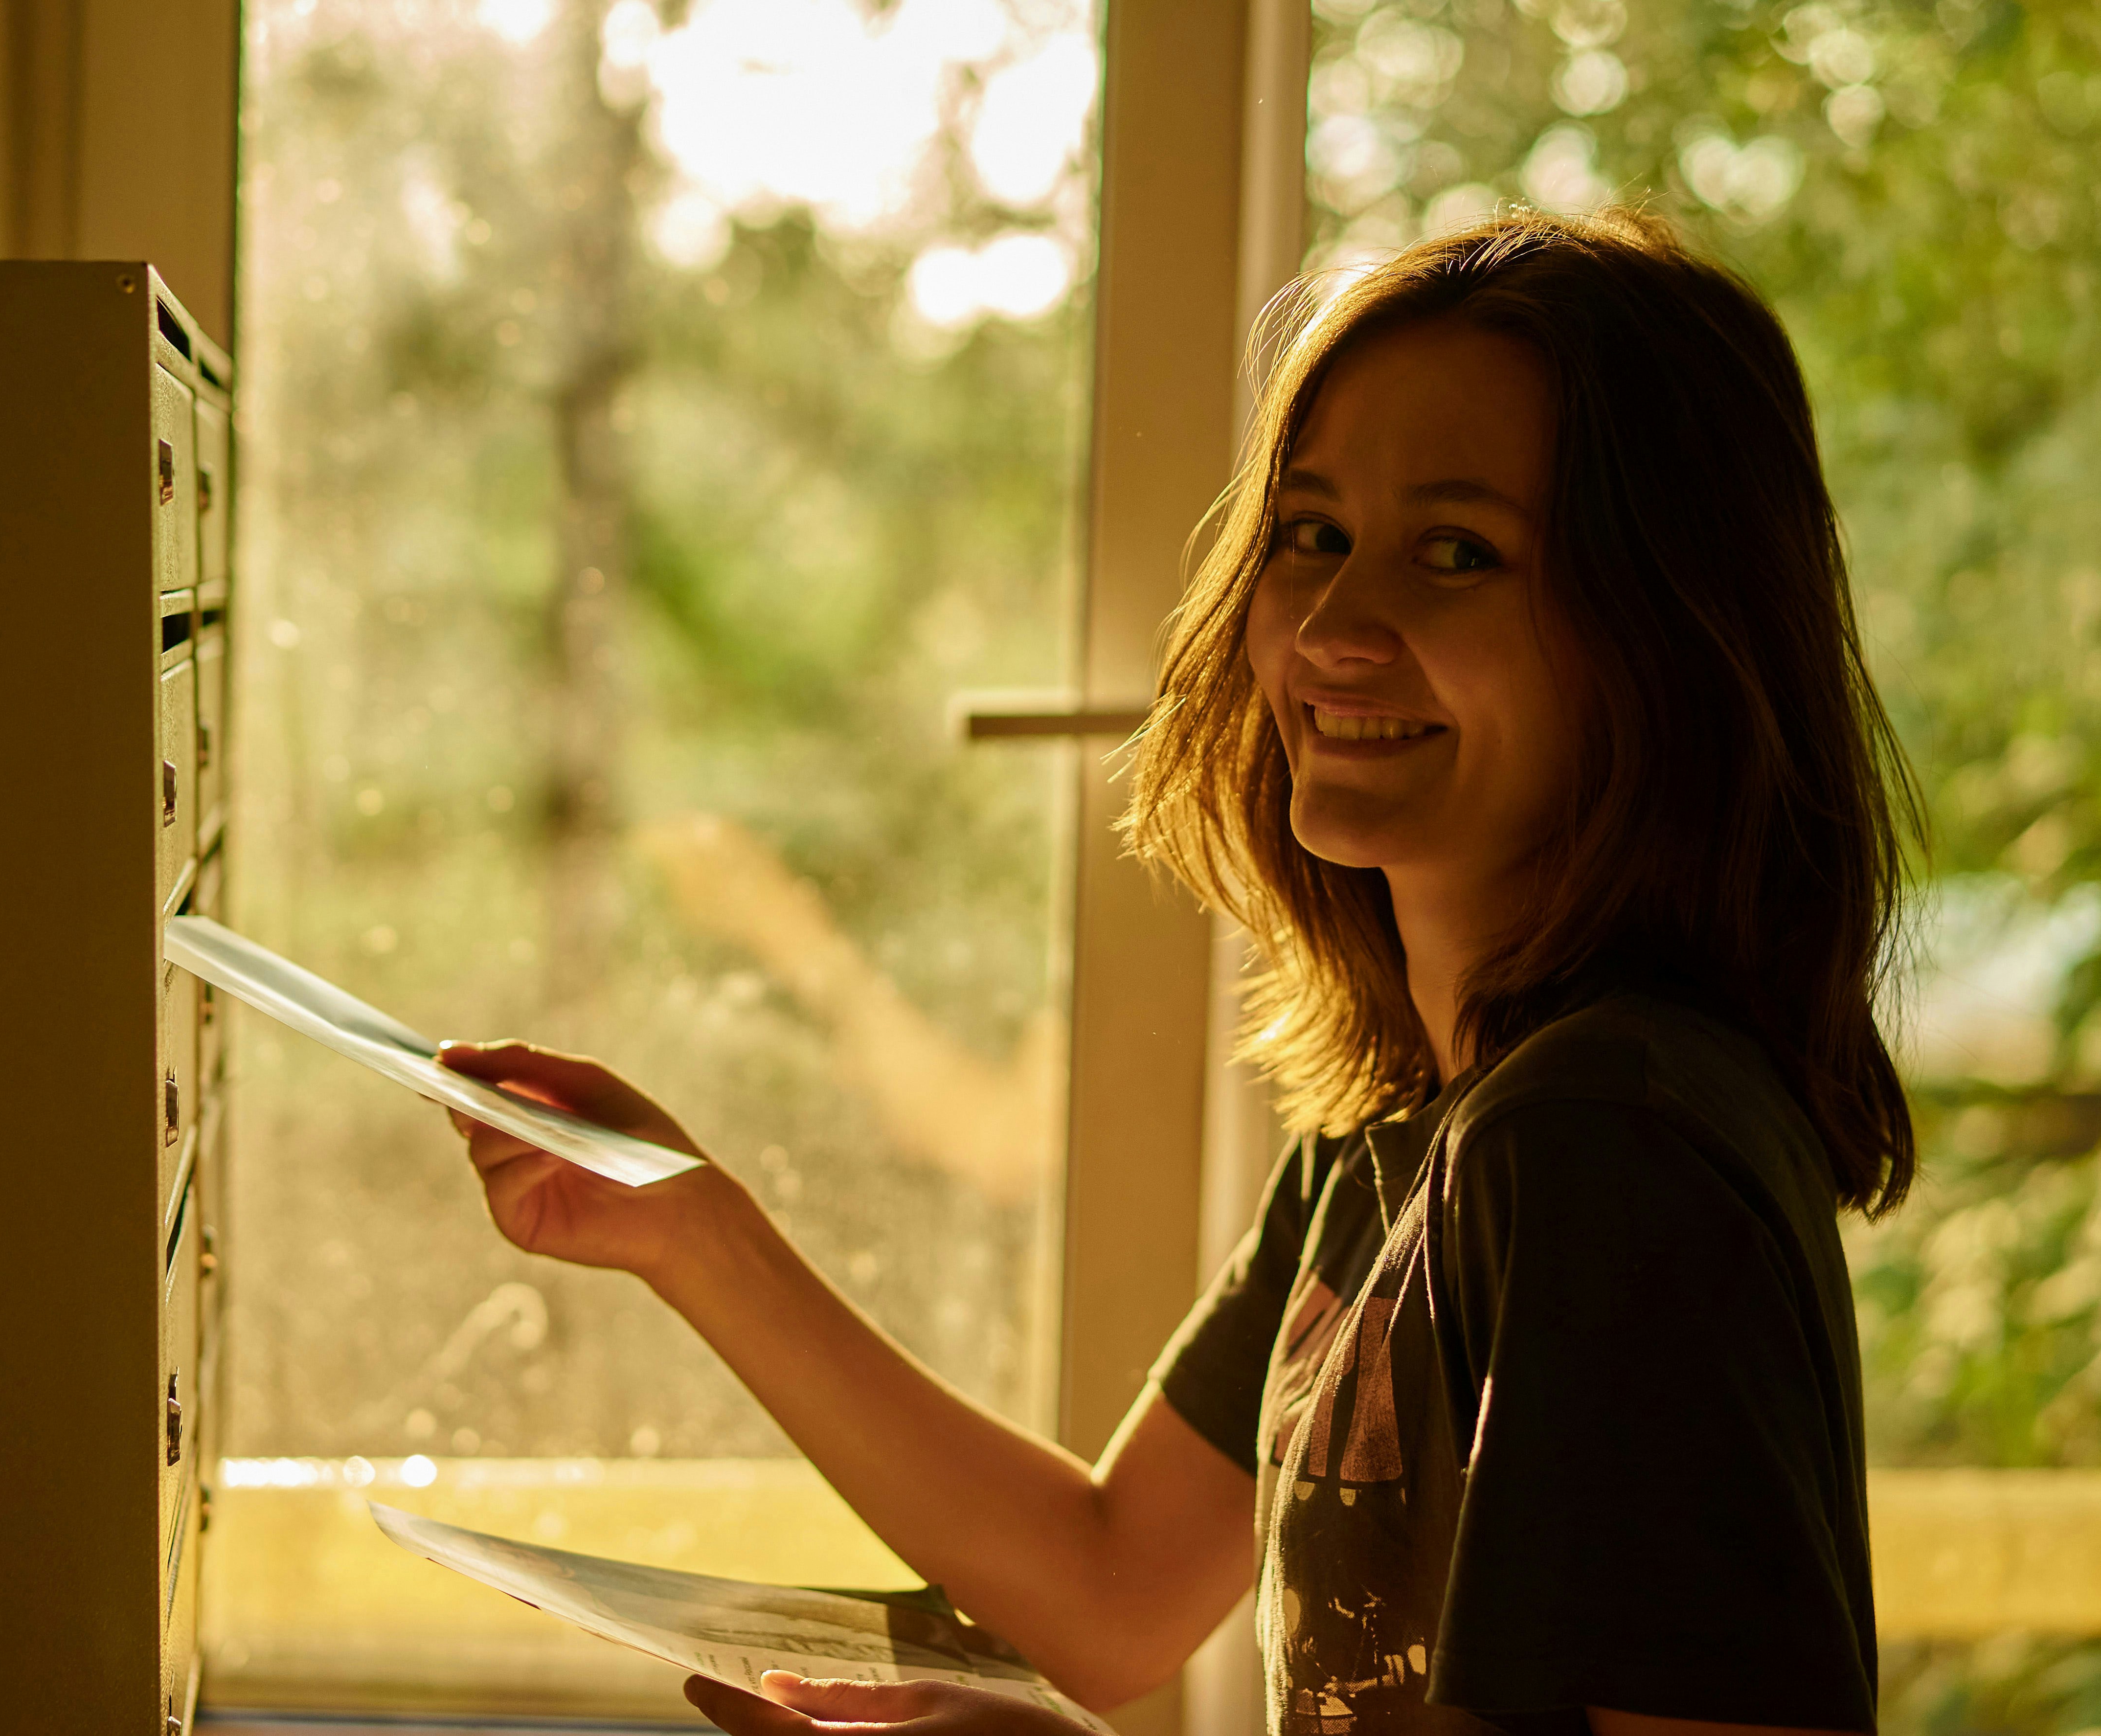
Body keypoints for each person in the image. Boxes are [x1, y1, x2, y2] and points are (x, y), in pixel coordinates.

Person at [437, 208, 1916, 1736]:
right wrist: (696, 1234)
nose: (1337, 625)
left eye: (1457, 554)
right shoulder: (1412, 1124)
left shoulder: (1608, 1146)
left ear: (1663, 640)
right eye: (1312, 534)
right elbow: (1111, 1583)